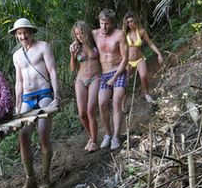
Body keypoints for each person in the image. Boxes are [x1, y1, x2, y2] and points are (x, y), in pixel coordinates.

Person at [9, 18, 61, 188]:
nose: (23, 36)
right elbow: (19, 82)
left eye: (25, 32)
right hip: (26, 97)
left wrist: (57, 96)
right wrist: (17, 105)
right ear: (16, 35)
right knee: (23, 136)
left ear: (31, 32)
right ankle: (30, 179)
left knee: (43, 133)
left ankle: (45, 177)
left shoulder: (43, 47)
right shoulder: (16, 56)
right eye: (19, 33)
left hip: (44, 93)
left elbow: (53, 71)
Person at [91, 9, 128, 150]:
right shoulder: (94, 34)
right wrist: (74, 44)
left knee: (117, 101)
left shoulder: (120, 34)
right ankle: (108, 134)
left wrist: (115, 77)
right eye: (101, 23)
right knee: (102, 104)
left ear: (112, 23)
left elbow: (125, 58)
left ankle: (116, 137)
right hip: (104, 74)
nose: (104, 27)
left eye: (107, 24)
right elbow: (80, 36)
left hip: (118, 72)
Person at [69, 21, 101, 152]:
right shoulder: (76, 48)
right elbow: (72, 68)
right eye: (77, 34)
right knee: (82, 113)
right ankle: (91, 138)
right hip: (81, 79)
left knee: (90, 110)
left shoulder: (96, 43)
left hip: (95, 77)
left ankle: (94, 141)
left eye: (82, 32)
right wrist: (72, 55)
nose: (80, 36)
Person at [123, 11, 164, 103]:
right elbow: (119, 47)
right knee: (125, 81)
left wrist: (159, 54)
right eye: (128, 22)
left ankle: (146, 94)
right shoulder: (124, 34)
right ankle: (123, 102)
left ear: (135, 21)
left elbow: (150, 43)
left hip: (139, 59)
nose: (130, 24)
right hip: (127, 61)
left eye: (131, 21)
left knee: (143, 75)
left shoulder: (141, 31)